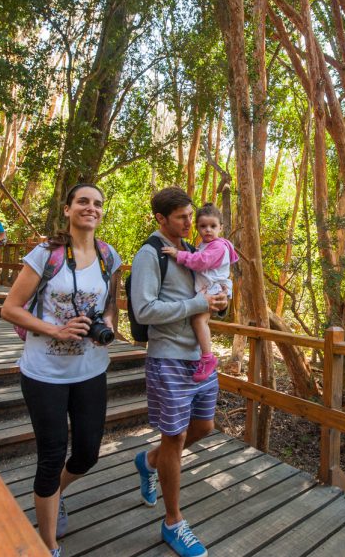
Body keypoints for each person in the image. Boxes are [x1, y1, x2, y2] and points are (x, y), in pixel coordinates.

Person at [1, 183, 121, 557]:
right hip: (44, 374)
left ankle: (56, 495)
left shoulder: (108, 256)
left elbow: (111, 305)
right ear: (68, 209)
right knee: (51, 456)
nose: (91, 208)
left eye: (97, 203)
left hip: (90, 370)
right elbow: (10, 308)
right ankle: (48, 545)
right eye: (83, 201)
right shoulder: (46, 254)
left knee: (87, 453)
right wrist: (56, 329)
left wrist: (110, 328)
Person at [130, 187, 228, 557]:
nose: (191, 223)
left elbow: (205, 295)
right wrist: (197, 303)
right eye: (182, 218)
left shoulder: (199, 251)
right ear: (161, 219)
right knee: (174, 437)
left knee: (204, 427)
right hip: (168, 357)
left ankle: (149, 460)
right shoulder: (149, 254)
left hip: (200, 358)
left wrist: (217, 302)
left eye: (192, 216)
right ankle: (173, 523)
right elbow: (144, 310)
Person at [161, 202, 238, 382]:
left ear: (221, 227)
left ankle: (207, 357)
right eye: (203, 226)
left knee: (199, 320)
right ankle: (205, 356)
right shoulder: (203, 245)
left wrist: (177, 254)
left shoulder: (217, 247)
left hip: (213, 287)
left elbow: (201, 262)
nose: (208, 230)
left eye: (213, 226)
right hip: (210, 286)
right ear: (197, 227)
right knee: (199, 320)